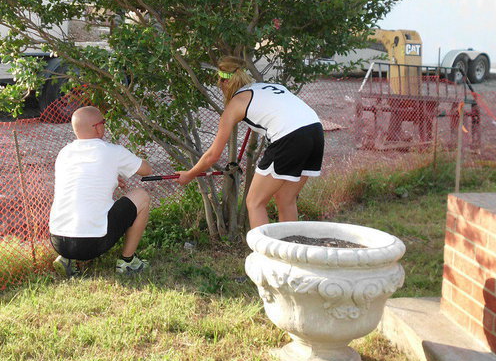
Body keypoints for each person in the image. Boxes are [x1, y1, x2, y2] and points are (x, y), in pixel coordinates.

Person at [177, 56, 324, 228]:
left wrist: (190, 174)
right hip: (315, 130)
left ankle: (262, 254)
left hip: (289, 136)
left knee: (255, 202)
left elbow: (213, 155)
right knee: (285, 198)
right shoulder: (269, 87)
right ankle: (291, 251)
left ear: (223, 83)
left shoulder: (235, 104)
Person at [49, 106, 154, 276]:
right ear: (97, 127)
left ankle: (66, 258)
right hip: (92, 244)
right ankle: (128, 262)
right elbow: (146, 170)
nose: (104, 126)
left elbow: (83, 181)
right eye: (103, 122)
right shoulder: (112, 151)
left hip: (57, 241)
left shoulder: (64, 153)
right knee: (141, 196)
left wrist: (111, 176)